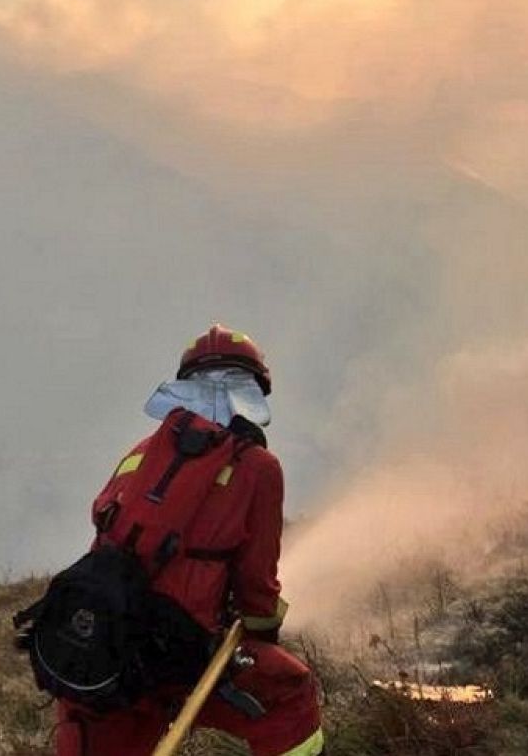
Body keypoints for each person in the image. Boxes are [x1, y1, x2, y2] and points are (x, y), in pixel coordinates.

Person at [49, 324, 325, 756]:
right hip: (176, 658)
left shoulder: (138, 452)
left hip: (97, 648)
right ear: (252, 392)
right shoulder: (258, 468)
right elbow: (257, 586)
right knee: (290, 695)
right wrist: (261, 634)